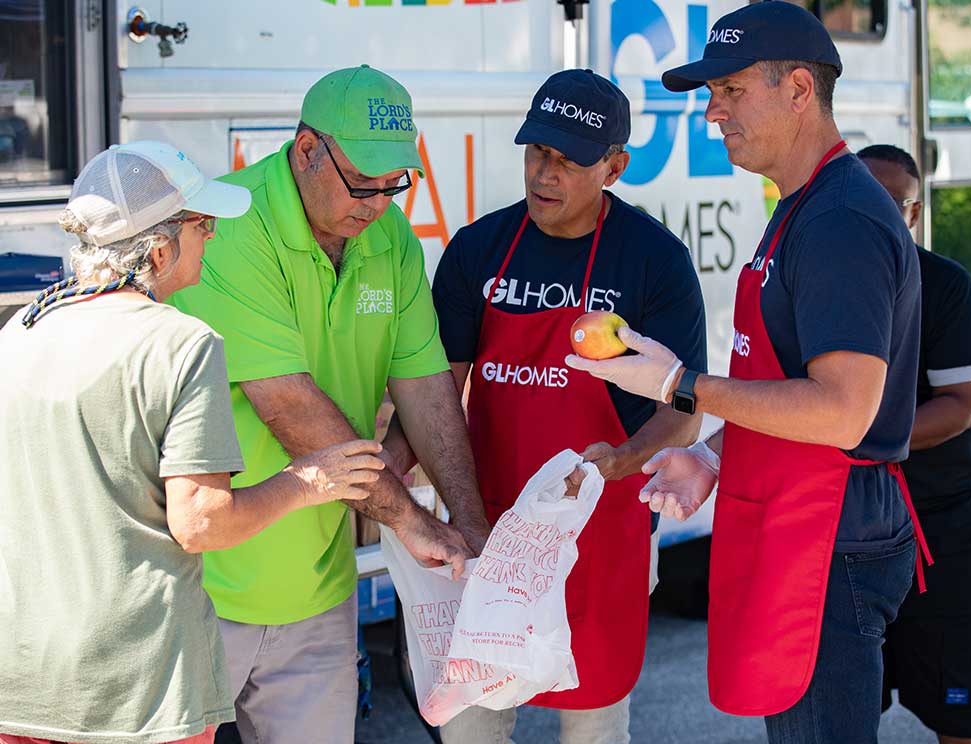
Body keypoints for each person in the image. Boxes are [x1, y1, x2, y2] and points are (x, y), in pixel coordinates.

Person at [565, 4, 931, 743]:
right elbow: (789, 382)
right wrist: (708, 455)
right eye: (712, 94)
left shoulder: (840, 221)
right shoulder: (805, 205)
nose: (711, 113)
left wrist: (680, 387)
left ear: (800, 89)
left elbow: (841, 411)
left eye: (730, 91)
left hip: (831, 539)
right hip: (807, 525)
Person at [0, 141, 386, 744]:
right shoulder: (182, 343)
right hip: (137, 685)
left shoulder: (21, 334)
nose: (212, 237)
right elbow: (202, 523)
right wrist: (310, 480)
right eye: (202, 225)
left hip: (24, 675)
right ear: (159, 247)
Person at [167, 65, 483, 744]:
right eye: (362, 181)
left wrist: (470, 519)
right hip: (199, 587)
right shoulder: (232, 223)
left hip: (317, 589)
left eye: (393, 182)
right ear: (306, 149)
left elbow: (427, 387)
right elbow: (287, 404)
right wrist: (408, 519)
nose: (377, 202)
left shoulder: (390, 238)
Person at [431, 68, 707, 743]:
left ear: (615, 166)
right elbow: (437, 390)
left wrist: (627, 457)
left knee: (594, 720)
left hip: (603, 524)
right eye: (536, 153)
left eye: (568, 160)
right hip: (489, 519)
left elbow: (687, 407)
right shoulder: (478, 249)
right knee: (473, 720)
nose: (544, 174)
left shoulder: (653, 261)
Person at [858, 144, 971, 744]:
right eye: (865, 201)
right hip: (849, 536)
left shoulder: (945, 285)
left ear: (913, 215)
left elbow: (970, 406)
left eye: (894, 204)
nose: (878, 215)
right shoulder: (814, 283)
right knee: (839, 717)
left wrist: (856, 436)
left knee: (965, 720)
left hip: (947, 530)